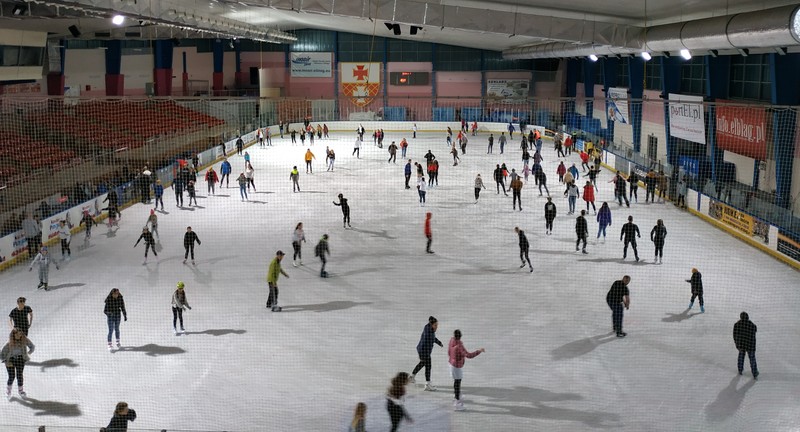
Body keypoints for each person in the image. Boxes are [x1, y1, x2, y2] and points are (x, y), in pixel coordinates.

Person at [448, 329, 485, 411]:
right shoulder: (459, 346)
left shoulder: (451, 340)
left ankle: (457, 396)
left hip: (451, 364)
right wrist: (479, 351)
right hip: (456, 366)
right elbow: (469, 355)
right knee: (457, 382)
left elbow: (449, 352)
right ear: (460, 337)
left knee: (456, 381)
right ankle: (457, 402)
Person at [410, 316, 443, 391]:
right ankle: (427, 384)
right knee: (428, 367)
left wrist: (439, 342)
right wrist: (423, 356)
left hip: (421, 350)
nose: (437, 327)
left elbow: (433, 338)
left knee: (422, 364)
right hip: (424, 352)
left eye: (437, 325)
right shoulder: (429, 334)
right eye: (435, 325)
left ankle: (412, 377)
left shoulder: (427, 327)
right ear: (431, 325)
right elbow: (431, 339)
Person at [2, 328, 34, 399]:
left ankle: (21, 391)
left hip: (20, 360)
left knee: (19, 375)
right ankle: (8, 392)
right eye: (18, 334)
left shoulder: (24, 340)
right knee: (11, 376)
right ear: (14, 335)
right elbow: (2, 354)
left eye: (21, 334)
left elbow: (32, 347)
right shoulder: (9, 343)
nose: (20, 335)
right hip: (10, 360)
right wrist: (5, 360)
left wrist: (27, 354)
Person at [733, 312, 758, 379]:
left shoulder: (737, 325)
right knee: (752, 359)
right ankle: (755, 373)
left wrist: (737, 345)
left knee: (741, 357)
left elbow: (734, 336)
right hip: (751, 345)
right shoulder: (751, 324)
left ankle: (740, 370)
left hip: (742, 345)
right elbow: (755, 329)